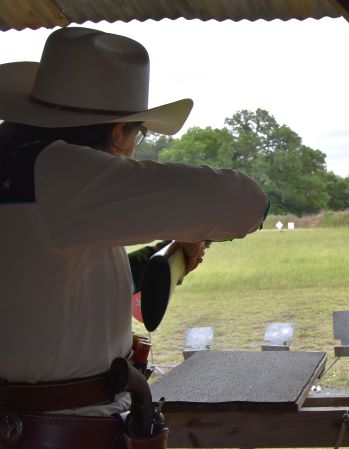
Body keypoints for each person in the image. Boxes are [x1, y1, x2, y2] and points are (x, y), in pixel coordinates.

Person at [0, 27, 269, 449]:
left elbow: (44, 290)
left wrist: (161, 255)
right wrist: (188, 228)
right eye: (137, 134)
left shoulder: (24, 173)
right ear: (117, 131)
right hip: (55, 435)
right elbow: (247, 203)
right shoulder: (59, 172)